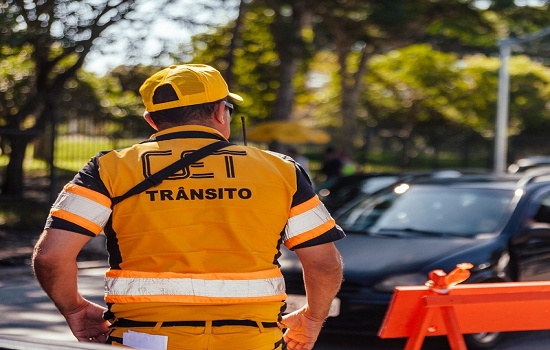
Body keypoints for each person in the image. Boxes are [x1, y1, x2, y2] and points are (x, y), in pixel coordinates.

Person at [32, 64, 345, 350]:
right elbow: (324, 263)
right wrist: (312, 318)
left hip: (143, 339)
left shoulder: (108, 168)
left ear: (152, 120)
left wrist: (74, 308)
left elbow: (51, 257)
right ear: (221, 112)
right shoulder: (281, 169)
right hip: (254, 338)